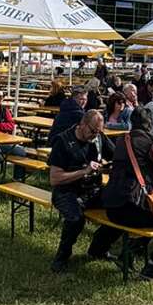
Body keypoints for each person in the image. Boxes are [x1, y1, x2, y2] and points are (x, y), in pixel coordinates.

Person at [85, 107, 153, 281]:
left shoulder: (121, 139)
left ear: (132, 122)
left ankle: (100, 248)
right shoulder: (149, 141)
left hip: (111, 204)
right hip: (131, 208)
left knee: (129, 210)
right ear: (149, 124)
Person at [47, 110, 111, 272]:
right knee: (76, 219)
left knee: (121, 205)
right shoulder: (63, 141)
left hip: (93, 189)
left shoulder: (98, 138)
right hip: (66, 191)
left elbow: (116, 154)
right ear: (82, 124)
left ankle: (98, 248)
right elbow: (54, 178)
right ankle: (61, 258)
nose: (95, 135)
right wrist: (83, 172)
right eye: (92, 131)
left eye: (99, 131)